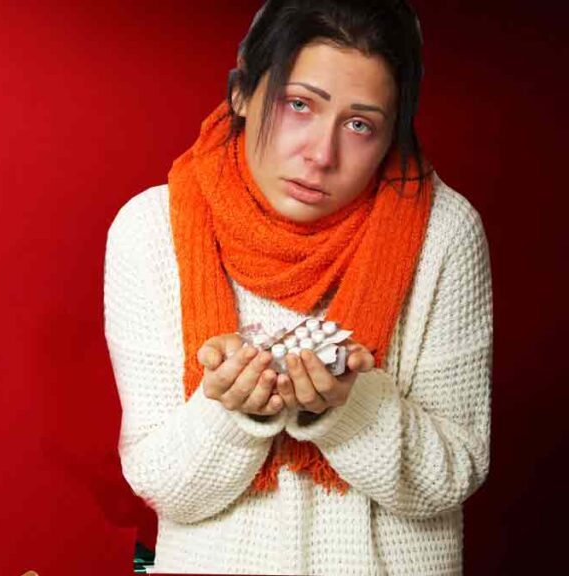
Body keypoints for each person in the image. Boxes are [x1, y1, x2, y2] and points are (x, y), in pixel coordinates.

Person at [103, 1, 492, 574]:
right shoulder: (149, 231)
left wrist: (350, 404)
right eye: (298, 105)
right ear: (242, 90)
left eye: (359, 124)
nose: (321, 155)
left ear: (391, 134)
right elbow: (163, 485)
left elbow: (453, 474)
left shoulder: (445, 232)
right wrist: (229, 412)